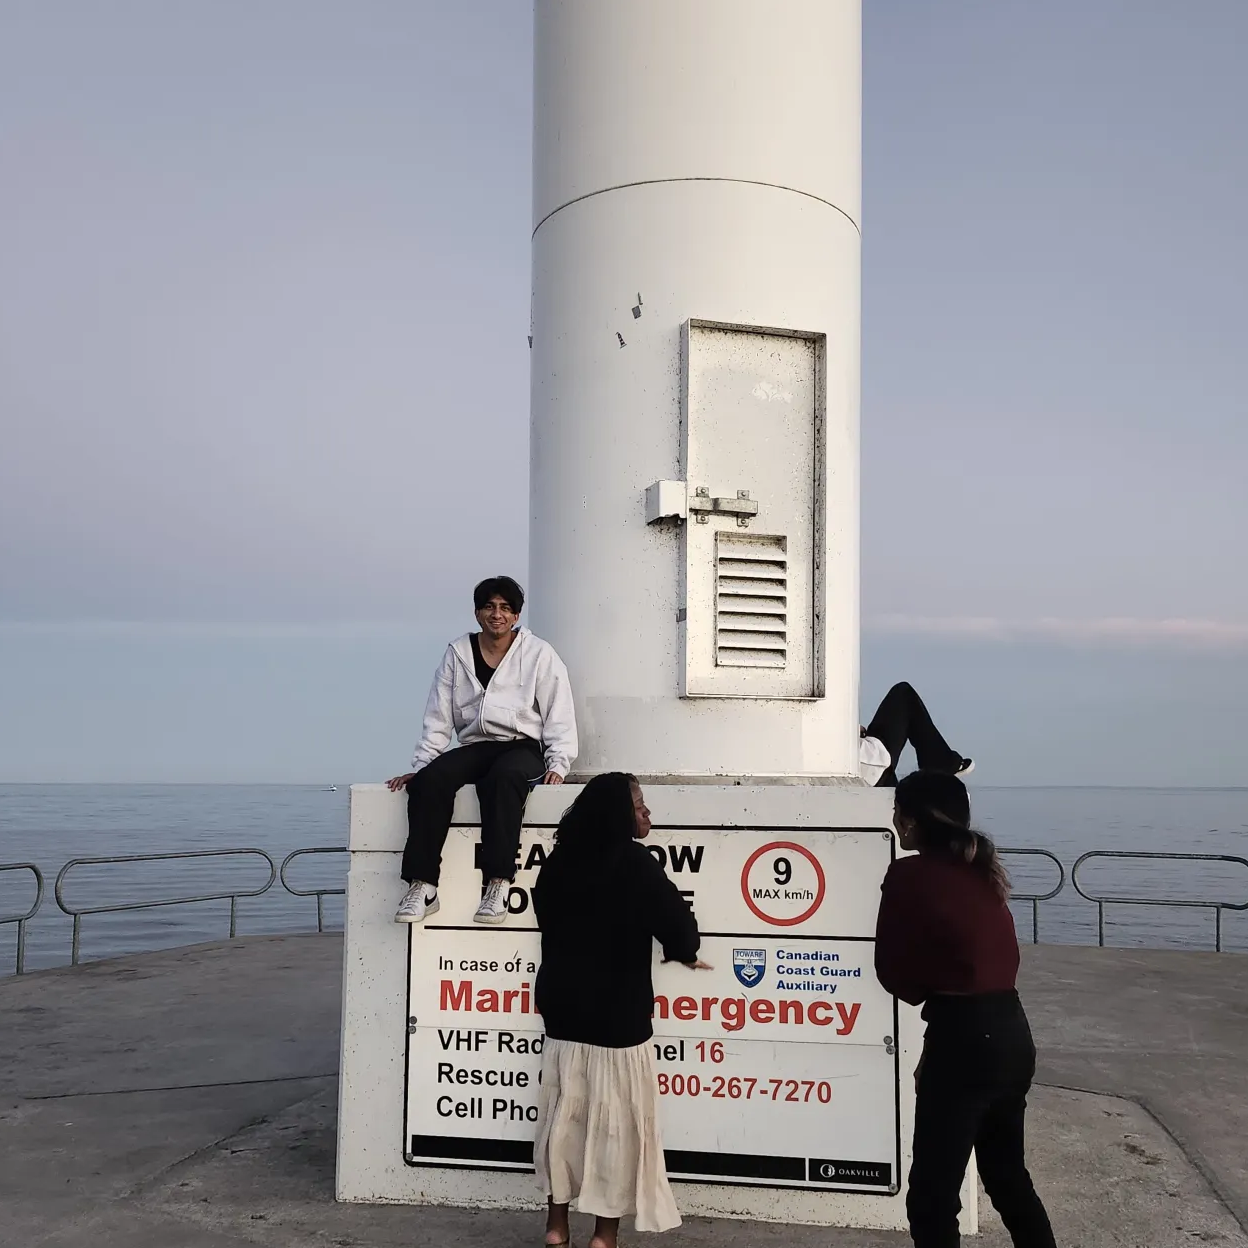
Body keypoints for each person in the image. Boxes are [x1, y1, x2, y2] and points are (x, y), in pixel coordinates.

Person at [875, 771, 1057, 1248]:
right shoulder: (982, 872)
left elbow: (895, 975)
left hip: (963, 1042)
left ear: (911, 823)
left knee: (932, 1200)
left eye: (896, 811)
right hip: (1012, 1034)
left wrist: (931, 1002)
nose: (894, 820)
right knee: (1007, 1176)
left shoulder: (909, 874)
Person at [532, 773, 708, 1248]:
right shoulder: (635, 864)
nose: (646, 812)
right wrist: (679, 947)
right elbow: (681, 932)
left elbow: (546, 917)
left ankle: (556, 1226)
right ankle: (603, 1237)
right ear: (616, 813)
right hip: (619, 1021)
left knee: (563, 1122)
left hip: (563, 1015)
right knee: (615, 1130)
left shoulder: (558, 863)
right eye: (637, 804)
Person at [387, 575, 578, 926]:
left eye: (505, 608)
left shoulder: (538, 654)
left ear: (516, 616)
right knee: (430, 782)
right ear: (477, 613)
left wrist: (559, 761)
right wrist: (424, 765)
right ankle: (423, 885)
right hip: (476, 745)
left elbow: (558, 709)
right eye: (489, 607)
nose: (497, 614)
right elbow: (438, 715)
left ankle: (497, 884)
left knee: (504, 781)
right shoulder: (457, 653)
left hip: (521, 746)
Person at [860, 682, 974, 788]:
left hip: (868, 765)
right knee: (903, 695)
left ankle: (939, 764)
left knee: (903, 694)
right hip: (870, 765)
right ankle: (940, 764)